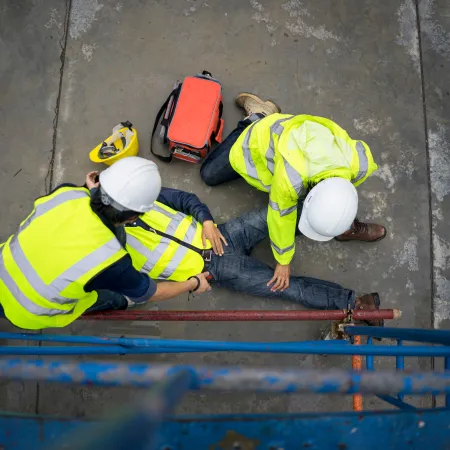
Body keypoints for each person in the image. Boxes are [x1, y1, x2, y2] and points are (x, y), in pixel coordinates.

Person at [200, 93, 386, 293]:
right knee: (209, 174)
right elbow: (281, 217)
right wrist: (283, 260)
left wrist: (340, 216)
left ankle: (347, 227)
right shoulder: (289, 180)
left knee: (332, 207)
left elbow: (341, 195)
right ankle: (258, 116)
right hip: (256, 141)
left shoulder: (359, 164)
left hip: (294, 142)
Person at [0, 157, 210, 330]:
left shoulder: (66, 193)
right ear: (132, 218)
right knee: (119, 295)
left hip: (4, 266)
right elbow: (153, 292)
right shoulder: (111, 260)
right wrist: (193, 283)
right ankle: (123, 303)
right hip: (28, 309)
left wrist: (93, 192)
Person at [124, 187, 382, 324]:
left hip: (223, 234)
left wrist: (206, 221)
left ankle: (340, 225)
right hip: (214, 270)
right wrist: (193, 283)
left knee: (280, 215)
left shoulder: (133, 196)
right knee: (287, 287)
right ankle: (356, 304)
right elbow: (145, 291)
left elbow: (183, 199)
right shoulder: (111, 254)